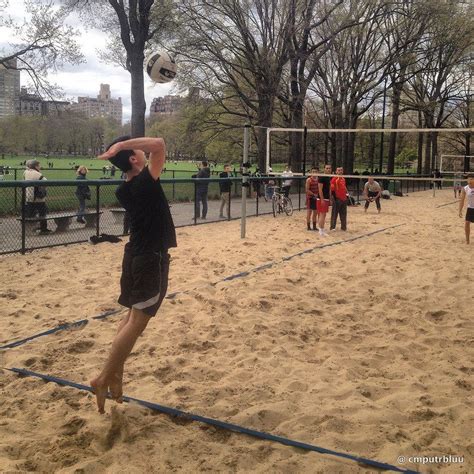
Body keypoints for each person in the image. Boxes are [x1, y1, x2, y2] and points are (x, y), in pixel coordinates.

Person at [90, 135, 176, 414]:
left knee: (129, 318)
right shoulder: (145, 182)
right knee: (138, 321)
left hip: (134, 256)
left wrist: (122, 149)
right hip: (150, 257)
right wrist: (119, 147)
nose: (145, 151)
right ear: (134, 159)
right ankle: (103, 377)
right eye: (139, 151)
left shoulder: (125, 189)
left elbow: (154, 147)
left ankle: (115, 375)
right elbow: (160, 143)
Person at [23, 159, 51, 234]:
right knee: (42, 213)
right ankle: (43, 229)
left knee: (30, 213)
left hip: (28, 196)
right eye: (39, 165)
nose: (40, 167)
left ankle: (28, 229)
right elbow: (45, 182)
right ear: (35, 166)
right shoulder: (37, 174)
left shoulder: (25, 172)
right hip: (38, 197)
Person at [330, 166, 348, 231]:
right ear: (336, 171)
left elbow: (344, 188)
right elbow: (332, 190)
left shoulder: (343, 179)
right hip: (337, 199)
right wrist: (334, 199)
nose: (340, 171)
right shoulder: (334, 179)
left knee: (343, 214)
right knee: (334, 214)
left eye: (341, 170)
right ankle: (332, 227)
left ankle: (343, 227)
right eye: (339, 170)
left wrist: (346, 196)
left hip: (344, 199)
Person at [458, 174, 474, 245]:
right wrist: (460, 210)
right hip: (470, 208)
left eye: (471, 179)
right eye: (468, 179)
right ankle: (467, 241)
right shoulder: (465, 188)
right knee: (467, 223)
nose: (469, 180)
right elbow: (462, 200)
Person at [317, 164, 332, 236]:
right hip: (321, 198)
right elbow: (320, 189)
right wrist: (322, 199)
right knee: (322, 214)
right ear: (324, 169)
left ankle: (322, 230)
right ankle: (320, 230)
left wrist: (330, 198)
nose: (328, 169)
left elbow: (329, 189)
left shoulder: (328, 177)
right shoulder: (322, 177)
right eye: (327, 168)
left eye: (329, 168)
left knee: (324, 215)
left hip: (326, 198)